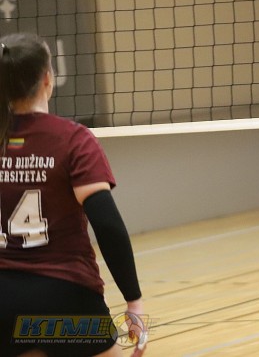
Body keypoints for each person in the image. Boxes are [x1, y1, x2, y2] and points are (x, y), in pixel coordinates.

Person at [0, 32, 148, 357]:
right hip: (65, 298)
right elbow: (107, 225)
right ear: (47, 78)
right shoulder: (73, 140)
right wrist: (133, 300)